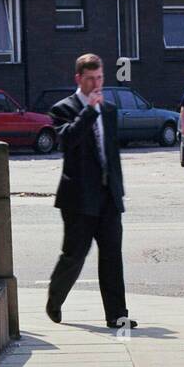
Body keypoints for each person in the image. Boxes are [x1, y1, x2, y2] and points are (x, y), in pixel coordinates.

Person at [45, 54, 136, 331]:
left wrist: (118, 192)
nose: (96, 84)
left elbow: (111, 154)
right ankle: (55, 299)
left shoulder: (108, 111)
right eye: (90, 79)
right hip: (78, 198)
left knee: (112, 256)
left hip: (108, 197)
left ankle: (117, 315)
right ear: (78, 79)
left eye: (99, 78)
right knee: (74, 255)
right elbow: (68, 140)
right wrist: (88, 111)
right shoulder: (63, 108)